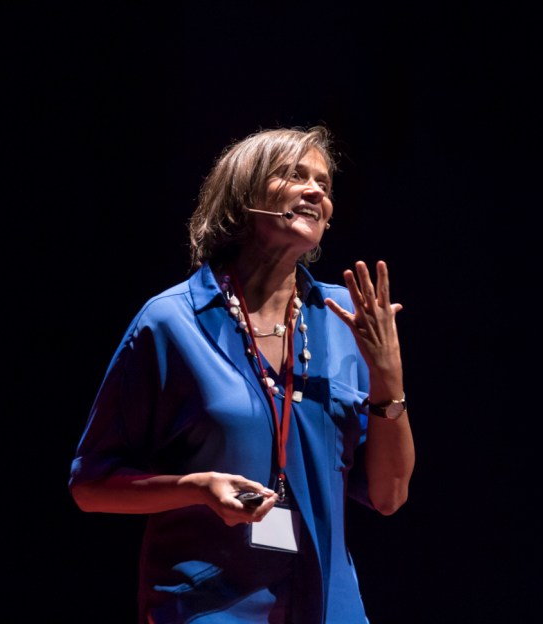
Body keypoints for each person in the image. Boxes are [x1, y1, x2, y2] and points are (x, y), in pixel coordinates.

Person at [69, 125, 415, 623]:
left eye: (324, 183)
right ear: (243, 196)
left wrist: (387, 375)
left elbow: (389, 495)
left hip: (330, 607)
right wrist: (198, 488)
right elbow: (91, 486)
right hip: (211, 606)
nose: (316, 190)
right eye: (294, 175)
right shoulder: (172, 321)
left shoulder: (347, 321)